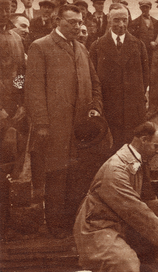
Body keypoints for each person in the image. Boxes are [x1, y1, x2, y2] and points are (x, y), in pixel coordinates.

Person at [74, 122, 158, 271]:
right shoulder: (115, 170)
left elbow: (148, 203)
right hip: (96, 228)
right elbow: (135, 209)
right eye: (156, 146)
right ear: (144, 140)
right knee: (127, 264)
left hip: (117, 222)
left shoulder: (135, 162)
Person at [25, 4, 103, 238]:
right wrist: (41, 124)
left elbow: (95, 82)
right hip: (54, 127)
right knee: (57, 173)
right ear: (57, 21)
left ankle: (74, 222)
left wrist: (95, 108)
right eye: (72, 23)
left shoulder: (81, 48)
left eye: (80, 22)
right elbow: (33, 89)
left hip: (80, 127)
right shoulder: (40, 47)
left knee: (77, 174)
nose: (78, 27)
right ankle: (56, 226)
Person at [90, 4, 149, 153]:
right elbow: (92, 79)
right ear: (109, 19)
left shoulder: (139, 45)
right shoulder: (97, 46)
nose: (121, 25)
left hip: (133, 110)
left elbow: (146, 77)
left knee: (135, 150)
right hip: (109, 109)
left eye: (124, 20)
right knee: (111, 149)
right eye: (116, 20)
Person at [0, 0, 27, 240]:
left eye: (7, 7)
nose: (4, 11)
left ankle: (5, 224)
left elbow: (19, 74)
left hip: (12, 115)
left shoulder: (16, 38)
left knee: (8, 168)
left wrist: (20, 103)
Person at [129, 0, 157, 73]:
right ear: (140, 8)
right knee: (141, 70)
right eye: (142, 8)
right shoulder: (135, 22)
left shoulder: (156, 22)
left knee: (153, 71)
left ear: (150, 8)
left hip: (153, 51)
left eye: (146, 7)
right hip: (140, 51)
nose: (144, 10)